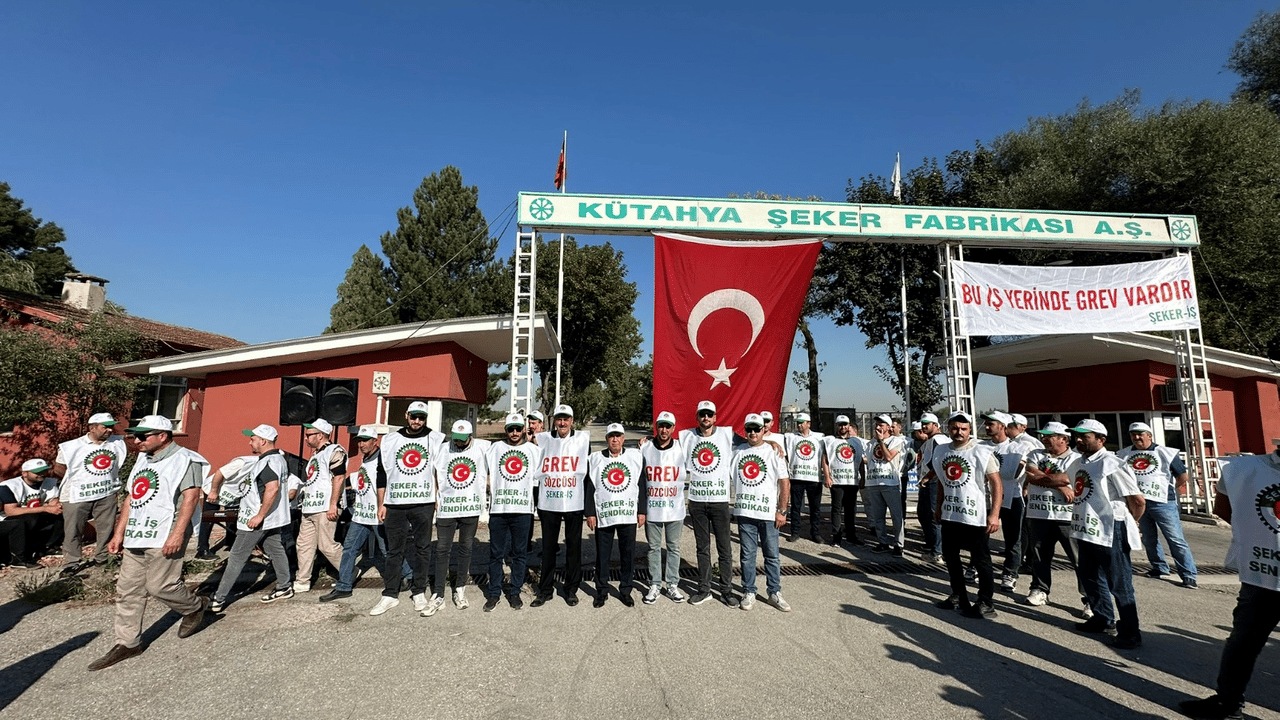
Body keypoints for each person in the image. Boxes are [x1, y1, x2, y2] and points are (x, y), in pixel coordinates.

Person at [87, 416, 208, 671]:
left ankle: (195, 606)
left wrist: (177, 535)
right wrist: (118, 534)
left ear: (162, 436)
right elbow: (133, 496)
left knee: (160, 585)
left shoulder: (186, 459)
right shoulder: (143, 458)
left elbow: (191, 498)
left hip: (166, 532)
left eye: (143, 436)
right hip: (137, 534)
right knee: (127, 590)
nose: (137, 441)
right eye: (135, 436)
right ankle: (128, 643)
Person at [1178, 448, 1280, 720]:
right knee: (1242, 643)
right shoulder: (1239, 469)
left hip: (1261, 575)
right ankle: (1227, 702)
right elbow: (1224, 509)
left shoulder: (1241, 470)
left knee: (1243, 643)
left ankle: (1228, 701)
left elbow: (1227, 511)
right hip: (1262, 579)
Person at [1068, 419, 1146, 649]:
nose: (1079, 439)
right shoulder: (1079, 462)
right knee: (1090, 576)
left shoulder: (1112, 464)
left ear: (1101, 440)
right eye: (1077, 435)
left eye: (1085, 436)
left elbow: (1137, 500)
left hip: (1110, 529)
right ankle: (1102, 617)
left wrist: (1133, 523)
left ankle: (1130, 632)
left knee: (1119, 583)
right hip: (1087, 529)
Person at [209, 424, 295, 612]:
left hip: (257, 519)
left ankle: (218, 599)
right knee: (275, 548)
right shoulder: (277, 459)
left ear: (263, 441)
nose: (250, 442)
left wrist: (259, 516)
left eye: (253, 438)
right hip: (272, 518)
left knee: (237, 556)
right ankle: (284, 586)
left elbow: (272, 489)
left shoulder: (268, 462)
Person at [371, 401, 444, 616]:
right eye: (414, 416)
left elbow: (440, 471)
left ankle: (419, 590)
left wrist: (438, 498)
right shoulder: (390, 440)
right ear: (406, 415)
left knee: (423, 548)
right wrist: (381, 503)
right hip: (395, 503)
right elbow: (382, 473)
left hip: (423, 502)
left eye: (421, 417)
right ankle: (390, 594)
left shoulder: (436, 438)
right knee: (394, 550)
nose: (417, 421)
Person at [931, 412, 1002, 619]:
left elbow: (996, 484)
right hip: (951, 514)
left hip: (975, 516)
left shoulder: (981, 451)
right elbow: (943, 483)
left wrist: (994, 514)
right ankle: (958, 596)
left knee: (981, 560)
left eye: (963, 428)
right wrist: (938, 507)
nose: (959, 432)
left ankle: (986, 602)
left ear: (970, 429)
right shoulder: (942, 451)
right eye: (955, 428)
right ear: (948, 429)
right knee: (951, 558)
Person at [320, 425, 400, 602]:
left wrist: (384, 506)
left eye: (365, 440)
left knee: (387, 551)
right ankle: (344, 586)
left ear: (375, 441)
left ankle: (407, 576)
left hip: (377, 514)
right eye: (359, 441)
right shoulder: (366, 458)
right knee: (349, 549)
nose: (361, 444)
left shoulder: (383, 459)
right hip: (361, 514)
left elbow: (386, 483)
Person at [1119, 421, 1198, 588]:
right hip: (1138, 504)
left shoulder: (1165, 453)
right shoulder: (1123, 454)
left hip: (1163, 503)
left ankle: (1189, 575)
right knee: (1148, 538)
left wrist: (1169, 489)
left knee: (1175, 539)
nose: (1137, 437)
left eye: (1140, 433)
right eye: (1133, 434)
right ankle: (1159, 567)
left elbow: (1183, 476)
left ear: (1149, 435)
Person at [1022, 422, 1087, 616]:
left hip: (1067, 516)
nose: (1044, 439)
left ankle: (1090, 598)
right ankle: (1040, 589)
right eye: (1043, 435)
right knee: (1040, 555)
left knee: (1079, 559)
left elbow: (1068, 478)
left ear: (1063, 439)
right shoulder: (1036, 454)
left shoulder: (1075, 459)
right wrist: (1060, 487)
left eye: (1049, 436)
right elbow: (1030, 474)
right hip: (1039, 513)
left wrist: (1060, 481)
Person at [425, 419, 488, 616]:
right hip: (447, 507)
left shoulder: (482, 448)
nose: (458, 443)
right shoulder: (443, 449)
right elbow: (434, 472)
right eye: (456, 439)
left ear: (471, 436)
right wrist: (435, 494)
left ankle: (459, 587)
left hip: (470, 507)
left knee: (465, 547)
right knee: (443, 549)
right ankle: (438, 593)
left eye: (463, 439)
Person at [679, 400, 737, 607]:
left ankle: (727, 590)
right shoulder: (687, 436)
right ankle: (704, 589)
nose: (706, 418)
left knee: (724, 548)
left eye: (709, 414)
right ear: (697, 417)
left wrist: (772, 442)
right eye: (702, 414)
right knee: (702, 547)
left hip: (719, 501)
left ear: (715, 417)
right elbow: (665, 444)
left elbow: (753, 440)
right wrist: (647, 440)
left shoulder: (727, 435)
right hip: (697, 501)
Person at [532, 404, 591, 607]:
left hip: (574, 501)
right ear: (554, 421)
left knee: (573, 547)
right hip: (550, 501)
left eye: (566, 419)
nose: (562, 423)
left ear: (572, 421)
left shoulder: (582, 440)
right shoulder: (545, 439)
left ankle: (571, 589)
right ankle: (545, 590)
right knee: (548, 548)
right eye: (559, 419)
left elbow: (588, 472)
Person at [733, 413, 791, 612]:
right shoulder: (737, 451)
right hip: (745, 513)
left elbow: (784, 482)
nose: (752, 432)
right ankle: (749, 590)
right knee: (747, 556)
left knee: (772, 555)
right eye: (749, 429)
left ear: (763, 430)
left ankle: (774, 592)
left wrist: (782, 510)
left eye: (757, 429)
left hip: (768, 515)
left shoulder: (774, 452)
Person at [53, 412, 126, 568]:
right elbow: (59, 469)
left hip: (106, 492)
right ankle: (72, 563)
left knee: (106, 528)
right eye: (105, 427)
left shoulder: (116, 443)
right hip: (76, 495)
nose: (110, 430)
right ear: (92, 428)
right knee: (73, 530)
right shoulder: (70, 447)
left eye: (111, 427)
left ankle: (103, 558)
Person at [484, 413, 541, 611]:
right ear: (505, 430)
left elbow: (538, 480)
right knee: (496, 553)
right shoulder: (495, 449)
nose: (515, 432)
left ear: (524, 429)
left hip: (523, 510)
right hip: (499, 510)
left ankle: (515, 591)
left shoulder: (533, 451)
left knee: (519, 554)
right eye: (511, 429)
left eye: (518, 428)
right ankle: (494, 592)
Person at [585, 423, 647, 607]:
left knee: (627, 554)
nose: (615, 439)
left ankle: (625, 589)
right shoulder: (595, 459)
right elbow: (590, 487)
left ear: (623, 439)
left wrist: (642, 510)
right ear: (606, 439)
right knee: (602, 555)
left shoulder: (635, 457)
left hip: (627, 514)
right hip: (604, 514)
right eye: (611, 436)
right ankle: (602, 591)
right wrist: (590, 513)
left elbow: (641, 484)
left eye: (618, 436)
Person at [293, 418, 347, 593]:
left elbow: (338, 478)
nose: (306, 438)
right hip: (310, 506)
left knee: (327, 545)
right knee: (304, 545)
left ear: (321, 435)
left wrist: (333, 505)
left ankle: (349, 571)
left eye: (309, 435)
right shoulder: (315, 455)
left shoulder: (334, 451)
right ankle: (302, 580)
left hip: (325, 506)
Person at [642, 411, 687, 604]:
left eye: (668, 426)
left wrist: (769, 442)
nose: (664, 430)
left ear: (673, 428)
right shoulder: (645, 447)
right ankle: (655, 584)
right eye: (661, 425)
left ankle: (672, 584)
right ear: (656, 427)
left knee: (673, 547)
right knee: (653, 548)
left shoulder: (682, 447)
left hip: (675, 508)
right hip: (653, 508)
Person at [983, 411, 1028, 592]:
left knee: (1013, 540)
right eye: (986, 423)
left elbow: (1014, 473)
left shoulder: (1018, 448)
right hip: (987, 498)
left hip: (1012, 498)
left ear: (1002, 426)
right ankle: (976, 567)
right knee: (981, 537)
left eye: (990, 424)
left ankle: (1010, 573)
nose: (986, 427)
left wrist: (992, 474)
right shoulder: (981, 446)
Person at [2, 459, 63, 567]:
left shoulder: (49, 482)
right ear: (24, 473)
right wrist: (45, 508)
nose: (42, 475)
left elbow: (54, 502)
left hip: (32, 515)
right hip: (10, 520)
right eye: (37, 472)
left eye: (44, 471)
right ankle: (18, 559)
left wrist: (53, 505)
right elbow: (10, 511)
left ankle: (48, 547)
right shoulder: (9, 486)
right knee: (26, 521)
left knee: (59, 513)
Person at [864, 414, 907, 556]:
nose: (877, 427)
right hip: (873, 482)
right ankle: (882, 542)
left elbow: (888, 457)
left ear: (888, 427)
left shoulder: (896, 441)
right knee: (878, 516)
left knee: (896, 515)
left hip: (890, 483)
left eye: (881, 424)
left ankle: (899, 545)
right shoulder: (870, 443)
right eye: (876, 424)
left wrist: (881, 441)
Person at [197, 454, 254, 559]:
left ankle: (232, 545)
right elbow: (220, 472)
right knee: (208, 519)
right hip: (215, 489)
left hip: (233, 494)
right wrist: (213, 491)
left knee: (233, 519)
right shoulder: (244, 462)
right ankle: (202, 550)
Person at [823, 414, 864, 546]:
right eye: (840, 424)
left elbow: (861, 461)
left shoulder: (857, 442)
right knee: (836, 509)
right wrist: (827, 476)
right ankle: (836, 536)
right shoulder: (830, 441)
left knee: (850, 509)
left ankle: (851, 535)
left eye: (845, 424)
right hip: (837, 481)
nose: (842, 427)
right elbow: (825, 460)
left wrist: (862, 477)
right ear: (836, 426)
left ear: (849, 426)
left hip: (852, 481)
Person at [784, 412, 825, 543]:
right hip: (797, 477)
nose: (799, 425)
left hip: (814, 478)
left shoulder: (819, 438)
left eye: (802, 422)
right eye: (798, 422)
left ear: (809, 424)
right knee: (795, 507)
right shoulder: (790, 437)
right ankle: (795, 532)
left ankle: (816, 533)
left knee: (815, 508)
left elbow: (824, 456)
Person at [915, 413, 951, 563]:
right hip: (927, 482)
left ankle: (938, 551)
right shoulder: (930, 440)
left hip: (934, 482)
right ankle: (932, 546)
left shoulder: (939, 440)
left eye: (927, 423)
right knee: (923, 514)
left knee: (933, 516)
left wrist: (929, 477)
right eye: (923, 423)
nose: (924, 426)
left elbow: (940, 463)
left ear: (936, 425)